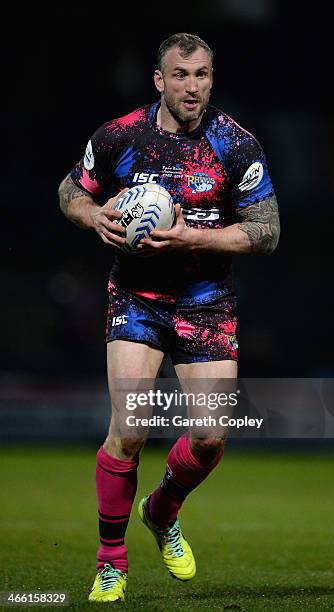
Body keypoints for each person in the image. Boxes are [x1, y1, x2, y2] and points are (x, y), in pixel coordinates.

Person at [58, 32, 280, 604]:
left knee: (209, 436)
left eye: (202, 75)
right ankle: (112, 563)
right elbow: (70, 191)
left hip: (206, 301)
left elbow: (267, 230)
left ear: (211, 79)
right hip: (136, 298)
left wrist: (192, 236)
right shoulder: (119, 136)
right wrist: (93, 216)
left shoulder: (235, 144)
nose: (192, 86)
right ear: (160, 80)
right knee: (130, 430)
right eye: (181, 75)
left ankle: (161, 510)